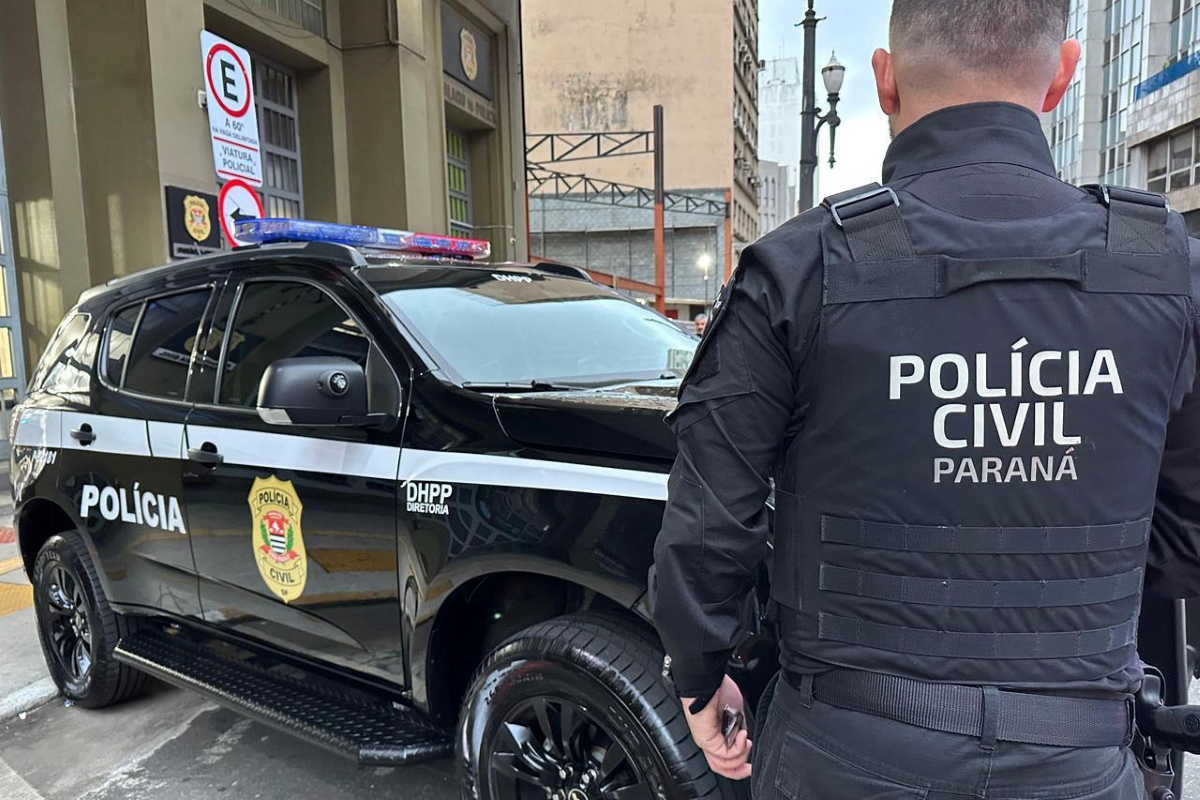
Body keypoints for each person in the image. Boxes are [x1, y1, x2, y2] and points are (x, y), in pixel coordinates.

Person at [651, 1, 1200, 797]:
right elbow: (1186, 532)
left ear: (885, 80)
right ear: (1062, 75)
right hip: (1079, 758)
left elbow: (708, 527)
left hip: (842, 755)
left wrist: (700, 676)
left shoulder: (801, 269)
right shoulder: (1169, 271)